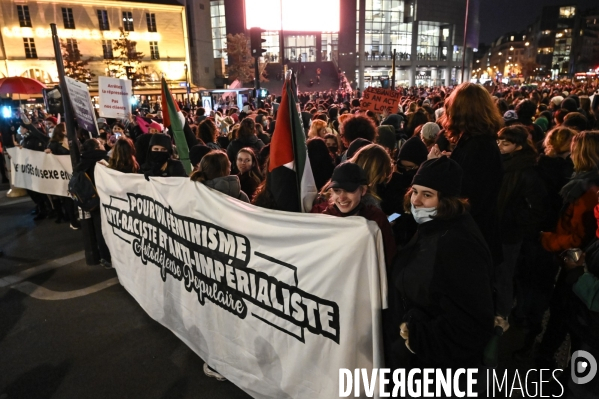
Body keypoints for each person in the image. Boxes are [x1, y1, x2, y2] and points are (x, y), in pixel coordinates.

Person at [386, 156, 494, 383]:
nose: (416, 201)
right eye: (414, 191)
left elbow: (472, 322)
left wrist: (417, 338)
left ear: (446, 200)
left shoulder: (458, 244)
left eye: (427, 195)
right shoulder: (434, 226)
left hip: (436, 370)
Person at [433, 82, 504, 266]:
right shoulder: (475, 142)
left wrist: (436, 168)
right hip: (473, 233)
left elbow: (465, 194)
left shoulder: (479, 147)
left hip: (471, 238)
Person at [494, 125, 547, 331]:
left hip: (509, 233)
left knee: (504, 275)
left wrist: (511, 217)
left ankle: (501, 315)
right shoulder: (504, 163)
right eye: (499, 141)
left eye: (505, 143)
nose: (500, 146)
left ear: (518, 146)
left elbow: (538, 208)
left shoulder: (526, 171)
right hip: (498, 227)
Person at [310, 162, 396, 273]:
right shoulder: (321, 218)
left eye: (349, 190)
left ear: (363, 190)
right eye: (337, 190)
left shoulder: (376, 218)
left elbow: (389, 260)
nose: (342, 197)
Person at [74, 138, 111, 268]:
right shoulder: (102, 159)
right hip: (105, 198)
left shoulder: (82, 161)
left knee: (99, 228)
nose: (103, 145)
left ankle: (105, 258)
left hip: (91, 200)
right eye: (101, 144)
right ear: (96, 148)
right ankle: (110, 256)